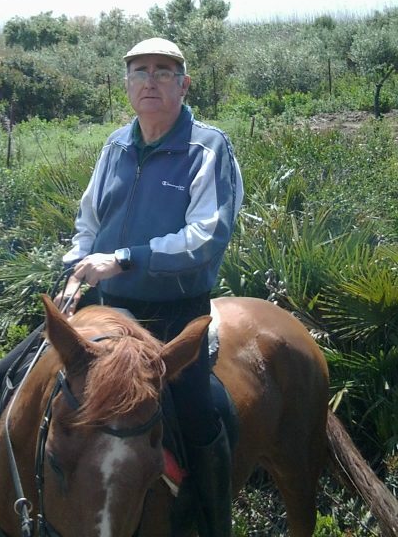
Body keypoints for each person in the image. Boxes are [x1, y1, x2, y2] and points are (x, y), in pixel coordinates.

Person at [62, 36, 244, 537]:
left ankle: (213, 522)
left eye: (164, 71)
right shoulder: (115, 145)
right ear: (126, 85)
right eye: (140, 71)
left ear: (183, 85)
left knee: (199, 411)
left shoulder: (208, 148)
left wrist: (124, 259)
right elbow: (88, 221)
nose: (150, 80)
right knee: (6, 374)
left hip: (173, 315)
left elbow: (205, 238)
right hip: (106, 313)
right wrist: (76, 268)